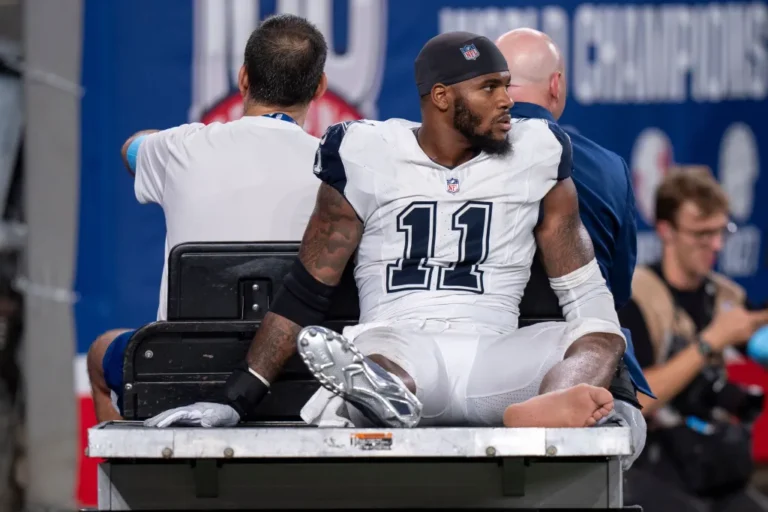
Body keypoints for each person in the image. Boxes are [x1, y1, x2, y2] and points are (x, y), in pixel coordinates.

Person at [146, 31, 640, 458]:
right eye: (490, 87)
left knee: (600, 331)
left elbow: (582, 289)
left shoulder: (538, 151)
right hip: (404, 345)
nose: (508, 100)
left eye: (507, 85)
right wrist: (238, 397)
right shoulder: (367, 152)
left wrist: (598, 350)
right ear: (443, 97)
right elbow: (305, 288)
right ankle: (378, 393)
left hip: (497, 357)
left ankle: (553, 403)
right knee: (377, 357)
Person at [85, 13, 328, 422]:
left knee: (99, 355)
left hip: (182, 373)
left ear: (243, 78)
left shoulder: (180, 147)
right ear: (319, 87)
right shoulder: (338, 165)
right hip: (300, 376)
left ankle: (143, 476)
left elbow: (131, 148)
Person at [494, 28, 653, 415]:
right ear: (556, 84)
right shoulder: (609, 169)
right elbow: (615, 292)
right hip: (579, 360)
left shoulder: (453, 161)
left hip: (479, 358)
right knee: (628, 423)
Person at [619, 169, 768, 511]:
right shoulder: (637, 298)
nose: (715, 245)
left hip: (710, 461)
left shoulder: (725, 295)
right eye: (702, 234)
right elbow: (638, 400)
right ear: (665, 230)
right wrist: (710, 342)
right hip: (652, 463)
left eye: (721, 232)